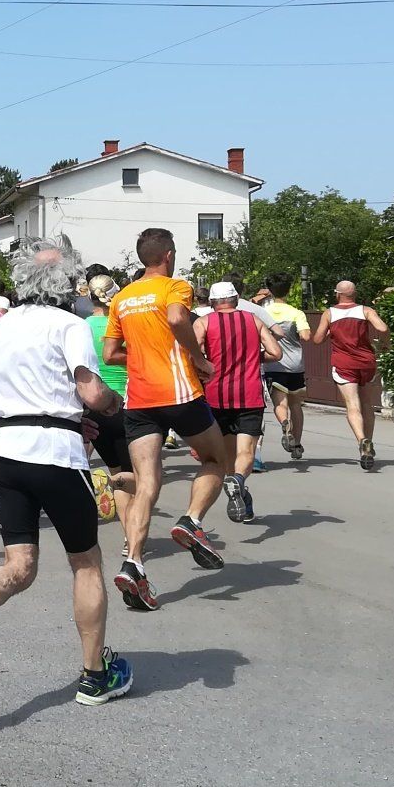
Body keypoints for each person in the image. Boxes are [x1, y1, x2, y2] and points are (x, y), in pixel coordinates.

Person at [0, 243, 132, 705]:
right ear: (68, 284)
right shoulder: (69, 325)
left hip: (7, 453)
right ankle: (94, 676)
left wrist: (45, 410)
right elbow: (91, 393)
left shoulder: (4, 325)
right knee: (86, 562)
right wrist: (113, 404)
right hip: (56, 455)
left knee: (20, 565)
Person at [104, 227, 233, 611]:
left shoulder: (122, 298)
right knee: (216, 459)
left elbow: (110, 354)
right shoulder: (175, 286)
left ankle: (134, 563)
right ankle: (191, 521)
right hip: (178, 393)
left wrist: (143, 357)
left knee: (146, 483)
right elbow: (177, 319)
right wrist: (198, 358)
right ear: (169, 255)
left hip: (139, 400)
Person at [196, 280, 280, 525]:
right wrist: (255, 357)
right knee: (246, 452)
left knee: (227, 456)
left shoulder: (203, 322)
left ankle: (237, 487)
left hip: (216, 396)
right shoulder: (253, 320)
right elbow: (276, 353)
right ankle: (239, 484)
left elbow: (192, 355)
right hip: (249, 395)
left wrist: (204, 367)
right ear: (235, 299)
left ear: (212, 302)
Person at [313, 281, 389, 469]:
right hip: (366, 362)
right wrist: (386, 344)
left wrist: (329, 332)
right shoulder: (365, 310)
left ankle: (362, 440)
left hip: (344, 363)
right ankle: (368, 442)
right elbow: (382, 328)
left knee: (353, 405)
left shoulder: (330, 313)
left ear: (337, 294)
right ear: (354, 294)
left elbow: (317, 339)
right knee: (367, 404)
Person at [83, 272, 132, 521]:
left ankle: (109, 482)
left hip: (93, 406)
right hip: (125, 402)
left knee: (117, 468)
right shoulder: (124, 324)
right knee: (136, 477)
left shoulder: (81, 327)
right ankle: (130, 536)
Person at [256, 273, 311, 462]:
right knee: (296, 405)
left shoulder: (262, 312)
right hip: (295, 365)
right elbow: (306, 336)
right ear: (288, 290)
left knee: (280, 403)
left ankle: (285, 424)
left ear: (270, 291)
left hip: (273, 364)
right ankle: (297, 444)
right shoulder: (296, 313)